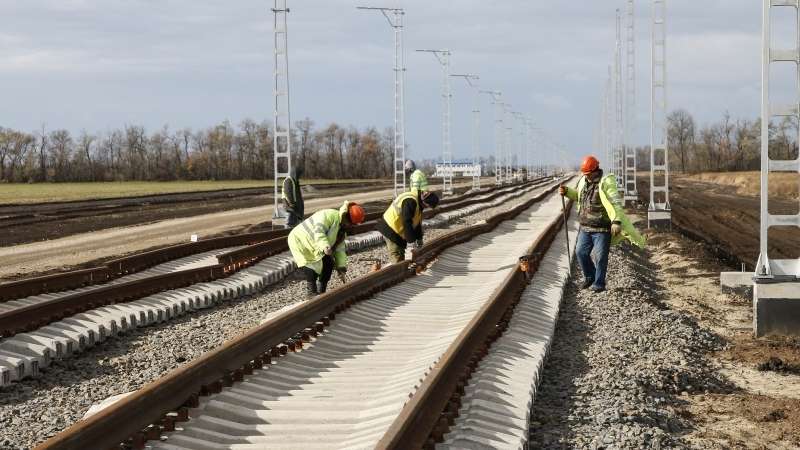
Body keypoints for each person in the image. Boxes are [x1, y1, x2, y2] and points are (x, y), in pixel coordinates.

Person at [559, 155, 645, 293]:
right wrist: (568, 192)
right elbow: (579, 197)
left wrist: (616, 221)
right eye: (585, 174)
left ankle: (599, 284)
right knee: (580, 253)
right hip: (585, 227)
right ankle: (590, 277)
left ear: (595, 170)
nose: (586, 176)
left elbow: (615, 203)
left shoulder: (606, 183)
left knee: (600, 257)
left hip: (601, 228)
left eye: (588, 174)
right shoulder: (584, 182)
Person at [288, 201, 366, 296]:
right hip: (300, 239)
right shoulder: (328, 215)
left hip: (315, 242)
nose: (350, 226)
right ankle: (311, 292)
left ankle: (321, 292)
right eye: (350, 223)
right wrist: (325, 246)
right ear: (346, 216)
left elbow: (340, 249)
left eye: (353, 224)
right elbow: (319, 231)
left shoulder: (341, 231)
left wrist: (341, 266)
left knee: (328, 264)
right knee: (312, 264)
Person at [376, 190, 440, 263]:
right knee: (396, 254)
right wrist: (411, 242)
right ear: (424, 202)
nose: (425, 208)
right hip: (389, 227)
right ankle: (397, 272)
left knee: (401, 253)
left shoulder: (418, 202)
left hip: (397, 229)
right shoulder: (410, 201)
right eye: (427, 206)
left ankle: (401, 269)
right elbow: (407, 222)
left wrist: (419, 238)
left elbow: (417, 222)